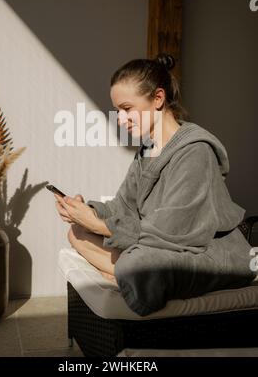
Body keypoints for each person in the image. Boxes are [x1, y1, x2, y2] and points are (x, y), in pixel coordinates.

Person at [55, 55, 256, 316]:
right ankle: (123, 274)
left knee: (136, 264)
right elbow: (123, 206)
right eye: (118, 111)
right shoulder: (148, 151)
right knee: (77, 233)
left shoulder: (195, 151)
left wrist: (99, 225)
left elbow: (172, 232)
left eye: (127, 108)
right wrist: (85, 213)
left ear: (158, 99)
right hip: (159, 242)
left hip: (205, 251)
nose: (121, 119)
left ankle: (124, 275)